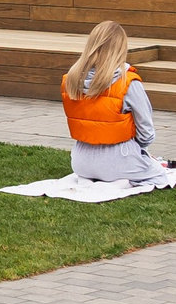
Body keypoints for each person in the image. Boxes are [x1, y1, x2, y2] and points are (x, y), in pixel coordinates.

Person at [62, 19, 170, 184]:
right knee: (160, 175)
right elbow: (146, 132)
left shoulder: (70, 80)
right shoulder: (128, 82)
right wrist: (138, 151)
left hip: (80, 161)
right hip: (119, 158)